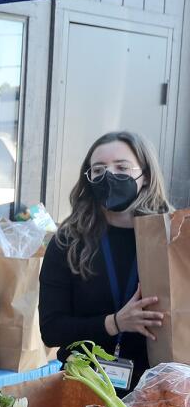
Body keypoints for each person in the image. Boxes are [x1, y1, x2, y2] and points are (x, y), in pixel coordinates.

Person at [39, 130, 172, 388]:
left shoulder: (173, 239)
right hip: (85, 384)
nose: (108, 176)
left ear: (144, 176)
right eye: (98, 170)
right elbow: (51, 329)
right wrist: (114, 323)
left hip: (161, 390)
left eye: (121, 167)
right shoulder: (68, 243)